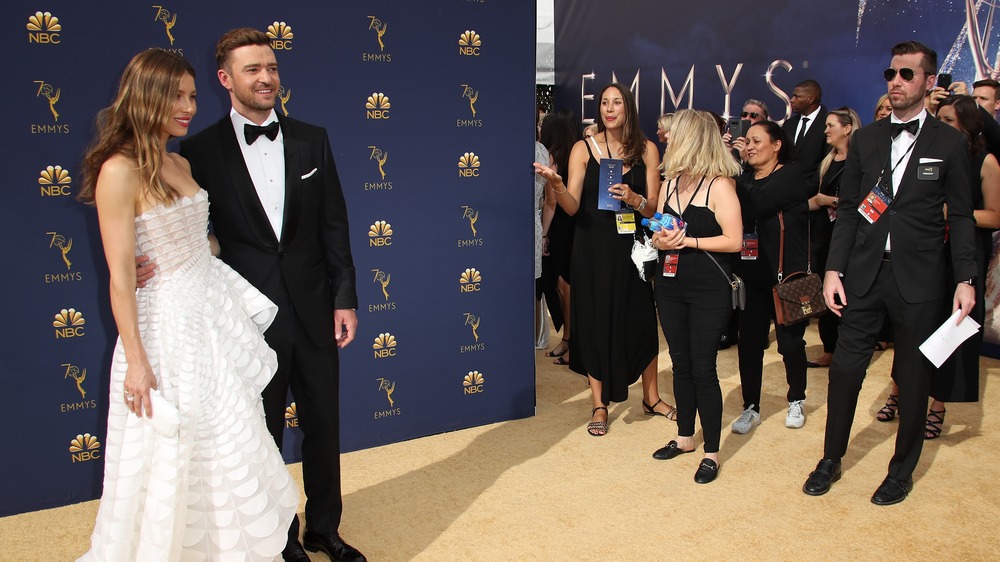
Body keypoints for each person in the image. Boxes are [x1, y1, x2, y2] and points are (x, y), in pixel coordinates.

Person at [77, 48, 297, 560]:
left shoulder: (178, 161)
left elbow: (199, 241)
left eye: (193, 96)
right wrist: (136, 362)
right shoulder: (119, 171)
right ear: (144, 97)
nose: (188, 107)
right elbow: (119, 278)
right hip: (166, 330)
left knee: (228, 445)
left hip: (210, 317)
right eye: (175, 96)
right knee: (173, 454)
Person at [178, 29, 365, 561]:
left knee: (323, 426)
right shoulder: (198, 151)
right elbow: (192, 230)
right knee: (260, 437)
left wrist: (344, 297)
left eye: (272, 67)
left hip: (315, 310)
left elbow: (335, 226)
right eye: (253, 69)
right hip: (247, 319)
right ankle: (279, 537)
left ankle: (324, 528)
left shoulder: (313, 139)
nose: (266, 78)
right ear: (225, 79)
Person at [802, 41, 976, 506]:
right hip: (862, 274)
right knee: (844, 370)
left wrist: (965, 279)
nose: (895, 81)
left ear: (928, 82)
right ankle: (830, 459)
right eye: (890, 74)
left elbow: (960, 217)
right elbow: (853, 212)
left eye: (906, 74)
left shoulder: (951, 143)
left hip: (920, 280)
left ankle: (901, 471)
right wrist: (833, 270)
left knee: (915, 377)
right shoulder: (866, 139)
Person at [534, 83, 675, 436]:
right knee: (595, 321)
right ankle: (599, 404)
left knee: (641, 319)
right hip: (592, 247)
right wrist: (556, 184)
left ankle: (651, 398)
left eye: (617, 103)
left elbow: (654, 207)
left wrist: (634, 197)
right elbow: (571, 206)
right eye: (603, 103)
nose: (609, 108)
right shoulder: (584, 148)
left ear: (628, 108)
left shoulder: (647, 150)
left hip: (633, 248)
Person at [873, 94, 1000, 435]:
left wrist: (954, 213)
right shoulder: (921, 154)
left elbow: (995, 214)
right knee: (911, 327)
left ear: (968, 127)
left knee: (949, 331)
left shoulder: (985, 162)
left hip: (961, 255)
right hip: (923, 252)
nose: (937, 126)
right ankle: (898, 392)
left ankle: (938, 405)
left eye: (947, 121)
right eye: (937, 118)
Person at [648, 110, 743, 483]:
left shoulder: (720, 184)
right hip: (670, 285)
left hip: (708, 288)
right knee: (680, 361)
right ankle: (685, 437)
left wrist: (688, 240)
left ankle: (712, 452)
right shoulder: (669, 181)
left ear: (692, 137)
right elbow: (656, 230)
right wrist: (660, 239)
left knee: (703, 368)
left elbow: (733, 240)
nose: (666, 138)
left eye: (674, 133)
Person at [731, 121, 812, 434]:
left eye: (756, 140)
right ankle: (751, 406)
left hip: (787, 277)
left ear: (777, 144)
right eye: (747, 141)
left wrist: (734, 173)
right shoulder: (747, 178)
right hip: (752, 276)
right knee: (749, 344)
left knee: (791, 344)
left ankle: (796, 398)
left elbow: (758, 203)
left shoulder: (790, 175)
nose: (749, 146)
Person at [806, 107, 862, 368]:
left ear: (847, 128)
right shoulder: (828, 160)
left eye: (831, 125)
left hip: (849, 237)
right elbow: (816, 198)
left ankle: (845, 349)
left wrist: (832, 200)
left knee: (846, 293)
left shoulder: (861, 161)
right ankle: (829, 349)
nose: (826, 130)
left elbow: (859, 202)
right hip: (822, 235)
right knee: (823, 291)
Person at [539, 112, 580, 364]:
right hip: (575, 225)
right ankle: (568, 340)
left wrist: (543, 234)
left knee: (564, 286)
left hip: (562, 227)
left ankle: (571, 342)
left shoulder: (550, 157)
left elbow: (552, 202)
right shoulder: (575, 156)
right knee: (566, 286)